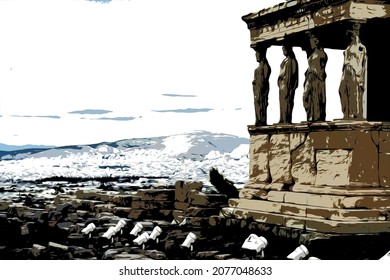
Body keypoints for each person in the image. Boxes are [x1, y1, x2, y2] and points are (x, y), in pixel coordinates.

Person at [339, 25, 366, 119]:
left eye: (351, 35)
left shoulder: (360, 47)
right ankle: (346, 112)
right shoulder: (348, 46)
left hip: (354, 70)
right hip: (346, 70)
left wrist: (360, 75)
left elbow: (363, 60)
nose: (350, 37)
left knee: (353, 91)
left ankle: (353, 113)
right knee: (342, 90)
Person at [302, 32, 328, 122]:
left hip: (316, 80)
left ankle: (316, 117)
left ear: (316, 42)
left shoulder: (321, 54)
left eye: (312, 42)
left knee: (314, 97)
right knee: (306, 96)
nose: (310, 44)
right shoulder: (312, 54)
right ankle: (311, 116)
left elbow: (322, 68)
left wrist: (318, 75)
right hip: (309, 78)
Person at [278, 43, 299, 124]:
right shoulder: (285, 60)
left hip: (288, 84)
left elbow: (294, 74)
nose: (284, 51)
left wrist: (292, 85)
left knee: (287, 101)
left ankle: (286, 119)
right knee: (282, 102)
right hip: (282, 85)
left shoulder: (293, 61)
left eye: (285, 49)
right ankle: (282, 118)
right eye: (283, 50)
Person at [252, 46, 271, 126]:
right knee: (257, 103)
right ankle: (259, 120)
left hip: (261, 89)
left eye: (257, 54)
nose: (256, 56)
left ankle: (261, 120)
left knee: (261, 103)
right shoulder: (260, 67)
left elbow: (265, 78)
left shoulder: (265, 66)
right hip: (257, 89)